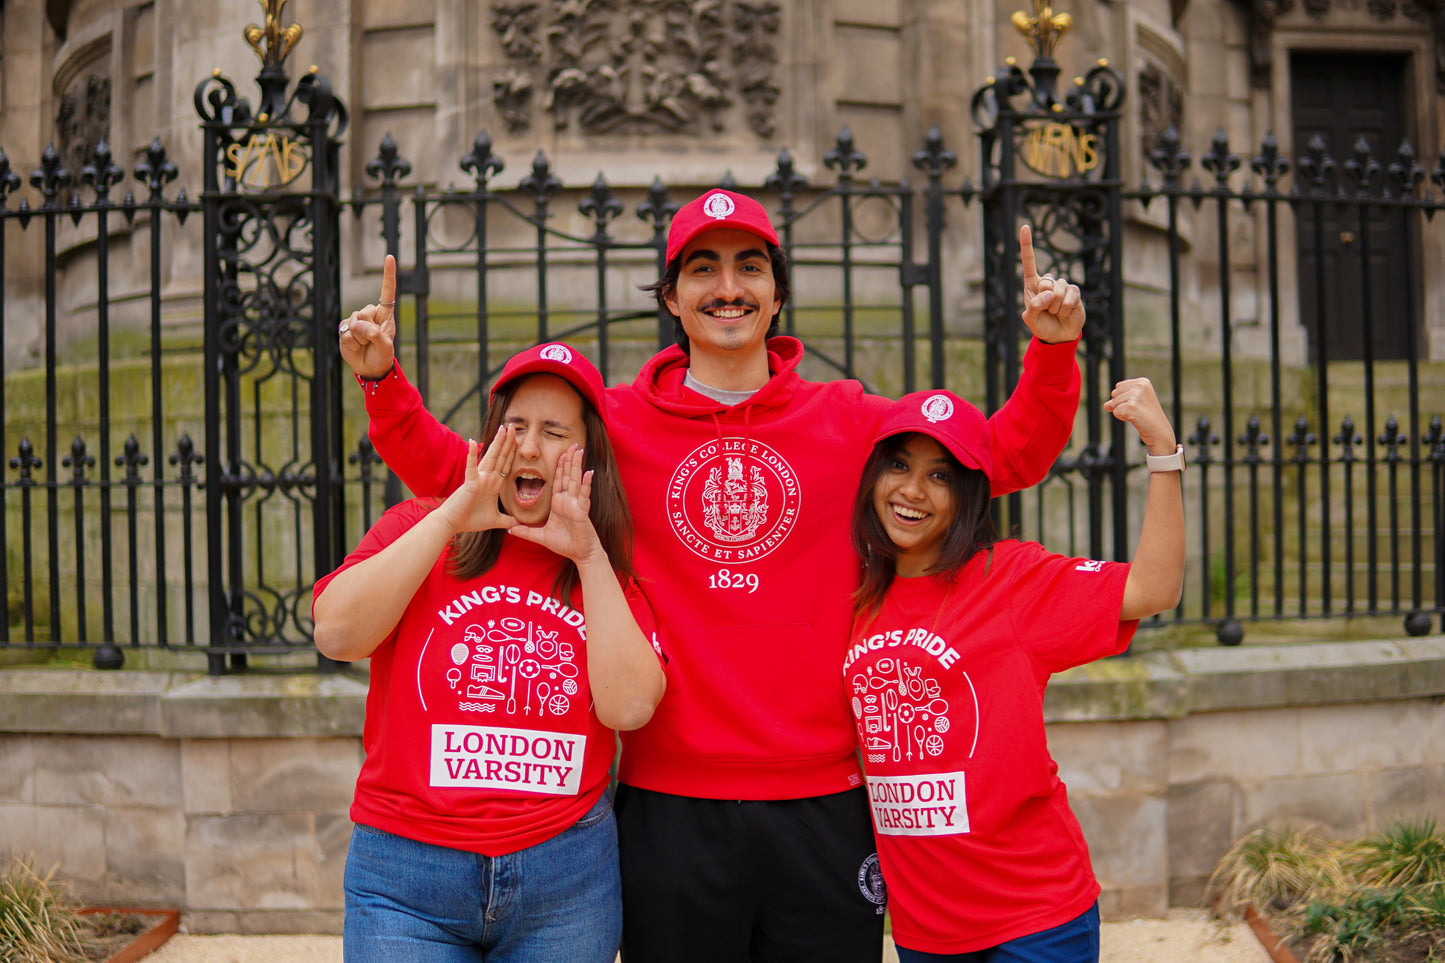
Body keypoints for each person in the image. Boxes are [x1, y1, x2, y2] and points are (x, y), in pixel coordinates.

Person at [336, 188, 1086, 962]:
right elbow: (475, 481)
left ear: (777, 293)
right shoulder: (613, 424)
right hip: (670, 805)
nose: (727, 287)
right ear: (671, 297)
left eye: (749, 267)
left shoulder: (854, 420)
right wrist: (384, 383)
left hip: (821, 801)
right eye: (703, 268)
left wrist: (1053, 353)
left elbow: (1000, 458)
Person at [312, 342, 666, 962]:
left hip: (565, 877)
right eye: (516, 427)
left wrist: (586, 555)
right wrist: (451, 517)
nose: (529, 447)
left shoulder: (602, 572)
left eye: (554, 432)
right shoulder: (420, 526)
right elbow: (338, 635)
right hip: (405, 875)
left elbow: (630, 707)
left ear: (586, 458)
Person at [844, 380, 1185, 962]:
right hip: (926, 927)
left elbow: (1153, 589)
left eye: (940, 474)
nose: (911, 490)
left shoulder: (1012, 580)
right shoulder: (856, 594)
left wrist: (1163, 453)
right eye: (899, 465)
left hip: (1033, 918)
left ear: (970, 493)